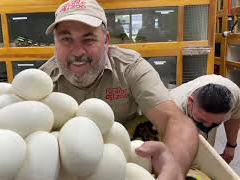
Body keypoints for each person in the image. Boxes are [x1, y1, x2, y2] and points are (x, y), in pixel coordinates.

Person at [41, 0, 198, 179]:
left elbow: (175, 120)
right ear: (55, 42)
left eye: (89, 39)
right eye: (66, 39)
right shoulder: (43, 83)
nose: (77, 52)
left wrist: (175, 167)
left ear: (106, 41)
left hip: (127, 157)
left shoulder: (129, 68)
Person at [170, 74, 240, 164]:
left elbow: (234, 116)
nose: (207, 126)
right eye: (202, 120)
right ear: (190, 102)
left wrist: (231, 146)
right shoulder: (172, 107)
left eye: (215, 122)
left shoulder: (234, 95)